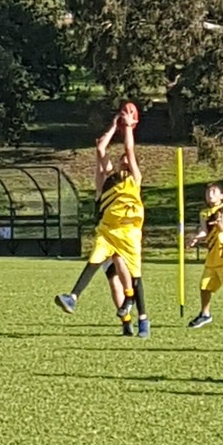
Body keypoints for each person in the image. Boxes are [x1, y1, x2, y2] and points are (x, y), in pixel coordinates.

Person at [54, 108, 150, 337]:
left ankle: (142, 318)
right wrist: (116, 126)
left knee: (133, 276)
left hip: (129, 233)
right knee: (98, 264)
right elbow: (100, 149)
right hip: (107, 231)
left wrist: (128, 128)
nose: (124, 161)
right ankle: (74, 298)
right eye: (121, 160)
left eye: (127, 160)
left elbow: (129, 148)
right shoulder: (107, 180)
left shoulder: (134, 179)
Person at [187, 182, 223, 329]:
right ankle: (205, 314)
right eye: (207, 192)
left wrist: (218, 222)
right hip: (213, 254)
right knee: (204, 285)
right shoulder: (204, 213)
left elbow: (222, 226)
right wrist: (195, 238)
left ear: (221, 195)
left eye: (213, 191)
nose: (210, 194)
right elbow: (205, 231)